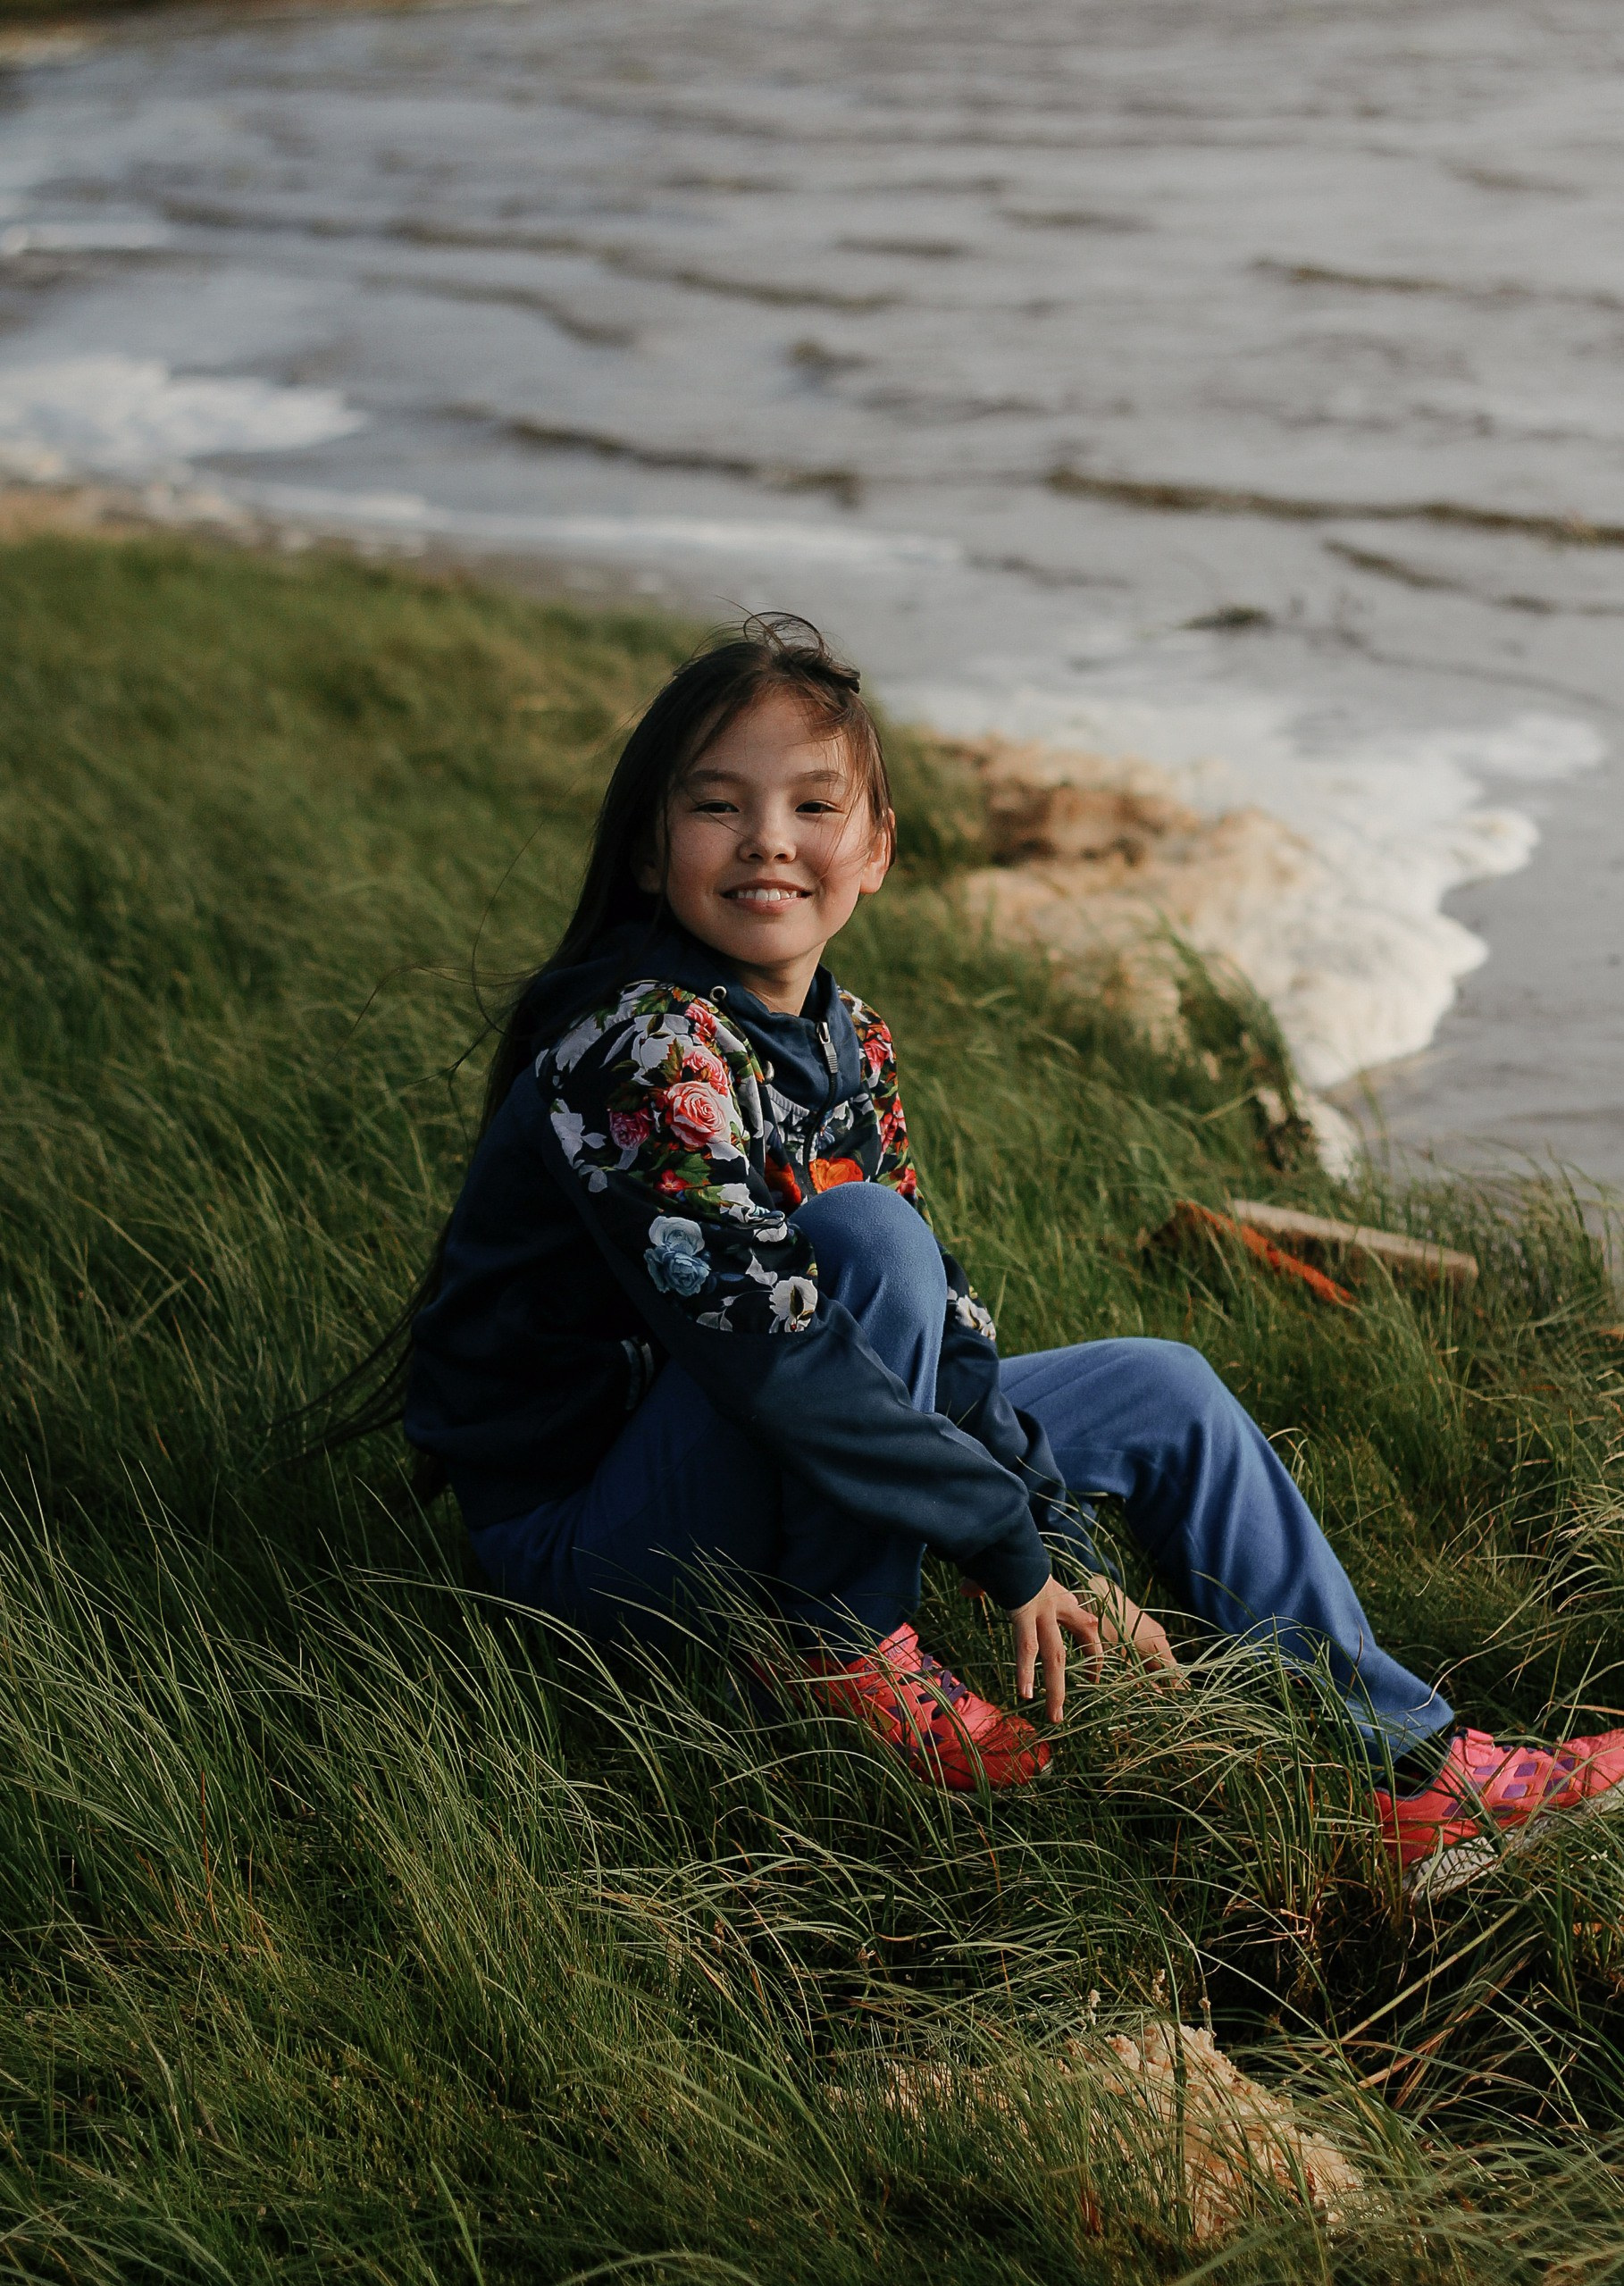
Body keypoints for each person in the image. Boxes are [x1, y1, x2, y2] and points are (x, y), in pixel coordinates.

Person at [401, 615, 1624, 1899]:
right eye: (717, 806)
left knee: (1159, 1386)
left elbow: (942, 1336)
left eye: (812, 804)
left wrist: (1059, 1545)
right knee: (863, 1237)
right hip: (589, 1542)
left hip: (731, 1450)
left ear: (875, 849)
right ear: (655, 851)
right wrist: (1000, 1545)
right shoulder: (642, 1046)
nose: (767, 838)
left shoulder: (847, 1042)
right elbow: (764, 1345)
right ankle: (845, 1645)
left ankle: (1414, 1780)